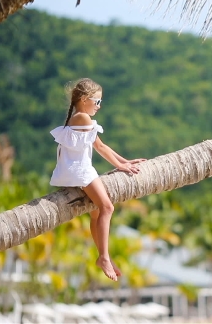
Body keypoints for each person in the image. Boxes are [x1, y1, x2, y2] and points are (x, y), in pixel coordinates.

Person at [50, 78, 145, 281]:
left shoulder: (78, 117)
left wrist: (125, 161)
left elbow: (101, 145)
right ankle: (104, 257)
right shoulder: (82, 118)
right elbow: (100, 147)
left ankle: (103, 256)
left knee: (96, 215)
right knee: (108, 208)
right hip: (81, 171)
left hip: (74, 171)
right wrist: (121, 166)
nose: (99, 107)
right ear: (84, 99)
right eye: (98, 101)